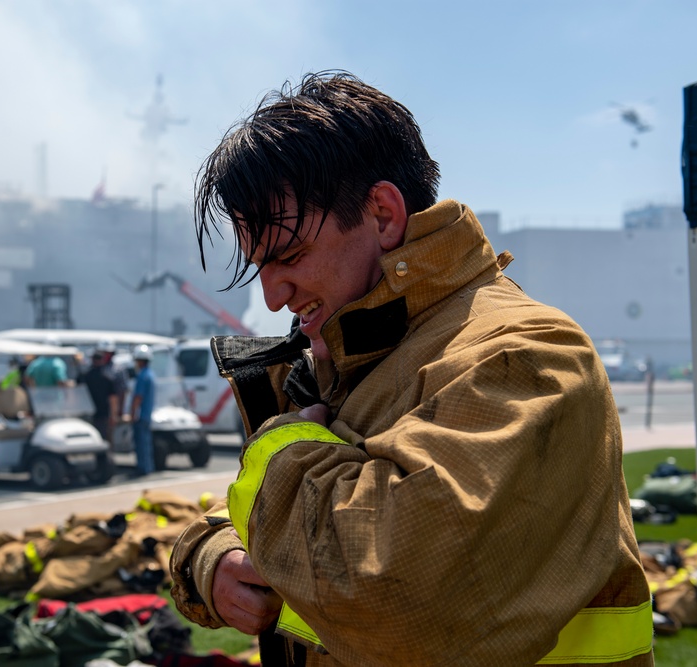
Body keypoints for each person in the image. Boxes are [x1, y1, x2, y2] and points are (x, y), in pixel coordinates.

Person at [168, 72, 654, 666]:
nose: (273, 297)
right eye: (260, 265)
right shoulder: (354, 356)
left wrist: (279, 448)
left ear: (382, 214)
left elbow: (389, 590)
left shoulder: (523, 356)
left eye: (290, 256)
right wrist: (210, 556)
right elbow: (268, 510)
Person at [77, 343, 127, 445]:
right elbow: (113, 398)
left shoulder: (85, 376)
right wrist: (114, 416)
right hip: (103, 415)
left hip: (88, 414)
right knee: (105, 441)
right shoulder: (107, 378)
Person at [124, 344, 156, 476]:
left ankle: (142, 468)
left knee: (141, 443)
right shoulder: (150, 374)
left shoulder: (142, 376)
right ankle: (148, 467)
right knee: (146, 442)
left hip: (140, 415)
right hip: (147, 414)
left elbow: (138, 397)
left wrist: (132, 413)